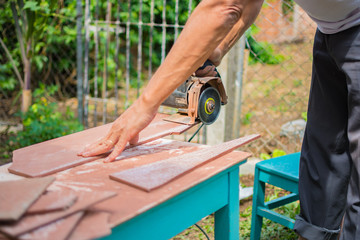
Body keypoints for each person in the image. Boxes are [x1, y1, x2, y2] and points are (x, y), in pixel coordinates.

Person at [78, 0, 360, 239]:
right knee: (323, 158)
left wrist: (143, 106)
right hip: (331, 32)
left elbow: (225, 5)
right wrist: (215, 52)